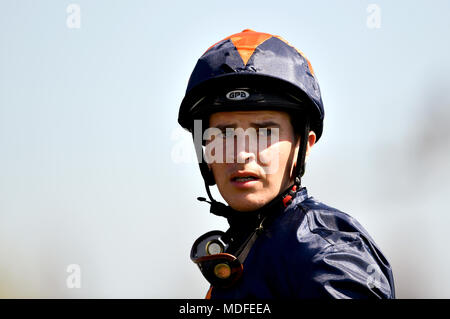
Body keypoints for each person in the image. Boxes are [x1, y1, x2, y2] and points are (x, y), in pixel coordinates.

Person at [178, 29, 395, 299]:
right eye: (224, 134)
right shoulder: (248, 245)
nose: (242, 154)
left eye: (265, 132)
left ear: (303, 147)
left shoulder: (327, 254)